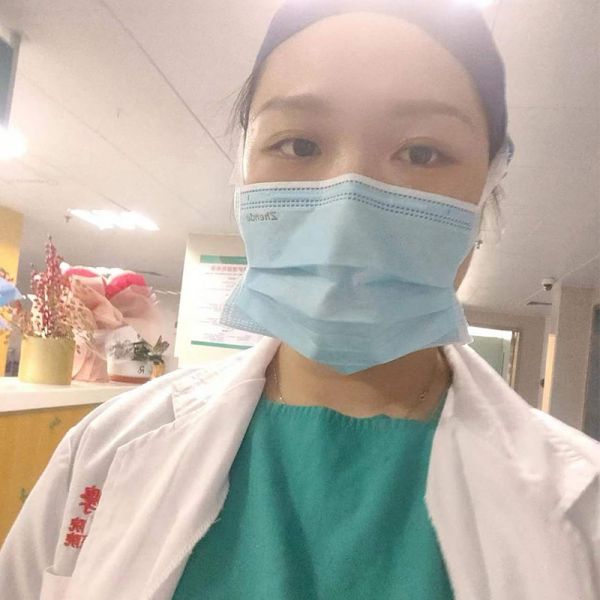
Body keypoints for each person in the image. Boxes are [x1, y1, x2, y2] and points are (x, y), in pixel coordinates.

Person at [1, 1, 599, 599]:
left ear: (489, 184)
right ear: (243, 172)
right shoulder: (106, 449)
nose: (346, 208)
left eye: (422, 153)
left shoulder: (584, 509)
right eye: (299, 144)